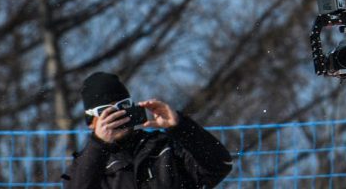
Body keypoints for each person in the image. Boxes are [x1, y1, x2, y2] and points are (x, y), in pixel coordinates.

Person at [61, 72, 233, 189]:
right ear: (92, 122)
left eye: (123, 106)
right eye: (108, 112)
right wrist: (99, 144)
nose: (118, 116)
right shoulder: (90, 169)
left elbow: (220, 166)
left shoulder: (165, 149)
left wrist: (180, 126)